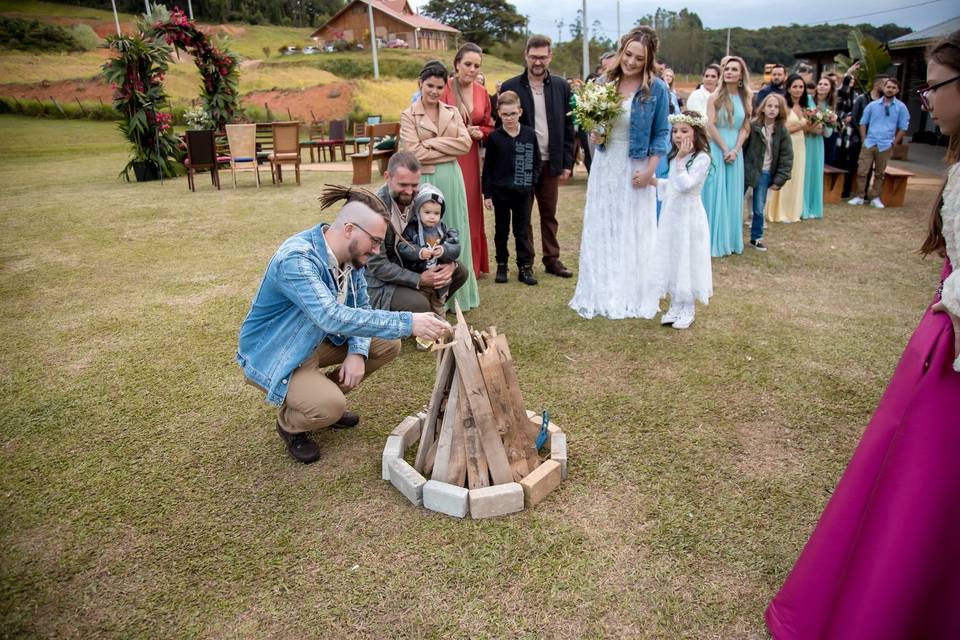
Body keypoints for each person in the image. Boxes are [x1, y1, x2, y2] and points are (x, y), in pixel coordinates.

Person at [765, 30, 960, 639]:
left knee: (926, 495)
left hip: (950, 349)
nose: (927, 97)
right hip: (943, 339)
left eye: (933, 85)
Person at [236, 185, 451, 464]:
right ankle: (294, 421)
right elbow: (331, 316)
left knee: (387, 345)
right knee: (330, 406)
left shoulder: (350, 257)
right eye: (374, 241)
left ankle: (318, 397)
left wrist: (357, 352)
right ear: (349, 229)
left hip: (317, 340)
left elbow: (361, 307)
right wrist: (408, 321)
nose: (376, 250)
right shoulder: (296, 259)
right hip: (279, 352)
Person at [568, 25, 670, 319]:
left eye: (639, 59)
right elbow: (591, 126)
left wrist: (650, 172)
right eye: (629, 54)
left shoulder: (657, 89)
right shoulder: (604, 82)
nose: (632, 62)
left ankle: (631, 291)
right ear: (622, 49)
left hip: (636, 164)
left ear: (648, 60)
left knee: (633, 228)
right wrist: (594, 135)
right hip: (605, 163)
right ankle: (602, 289)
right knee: (604, 224)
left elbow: (661, 132)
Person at [400, 60, 480, 312]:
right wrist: (447, 145)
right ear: (420, 84)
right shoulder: (408, 115)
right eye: (429, 86)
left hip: (451, 178)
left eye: (439, 86)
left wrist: (432, 144)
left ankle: (460, 294)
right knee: (426, 234)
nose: (434, 91)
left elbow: (465, 145)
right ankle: (431, 297)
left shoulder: (452, 111)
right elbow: (413, 152)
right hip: (425, 181)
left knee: (455, 230)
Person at [501, 34, 576, 278]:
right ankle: (526, 263)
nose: (537, 62)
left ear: (550, 57)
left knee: (549, 214)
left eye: (542, 57)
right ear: (526, 56)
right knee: (523, 215)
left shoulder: (561, 86)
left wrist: (567, 162)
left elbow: (568, 127)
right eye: (533, 57)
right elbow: (501, 126)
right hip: (522, 159)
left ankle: (552, 259)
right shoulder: (511, 86)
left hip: (550, 160)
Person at [368, 152, 468, 314]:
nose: (409, 191)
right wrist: (419, 279)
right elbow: (377, 266)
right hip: (382, 281)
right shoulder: (374, 210)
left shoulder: (421, 200)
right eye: (403, 185)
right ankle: (418, 307)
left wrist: (450, 263)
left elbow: (438, 233)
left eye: (414, 185)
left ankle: (426, 304)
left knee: (459, 271)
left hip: (414, 264)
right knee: (419, 305)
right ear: (387, 177)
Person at [649, 111, 713, 329]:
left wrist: (677, 161)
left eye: (684, 131)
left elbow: (686, 185)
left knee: (687, 257)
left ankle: (688, 308)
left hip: (689, 216)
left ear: (696, 133)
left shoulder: (701, 158)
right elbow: (673, 185)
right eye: (675, 131)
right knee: (674, 256)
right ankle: (675, 304)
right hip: (672, 214)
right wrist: (654, 182)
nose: (678, 135)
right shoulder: (679, 156)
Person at [441, 43, 495, 277]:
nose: (472, 69)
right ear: (456, 65)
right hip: (448, 155)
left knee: (471, 207)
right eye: (468, 64)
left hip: (471, 156)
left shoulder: (482, 92)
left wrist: (480, 132)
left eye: (476, 66)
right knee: (450, 205)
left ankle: (472, 265)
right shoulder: (444, 89)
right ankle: (448, 261)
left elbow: (490, 125)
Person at [482, 89, 541, 285]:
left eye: (513, 113)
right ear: (499, 113)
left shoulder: (529, 134)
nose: (509, 118)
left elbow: (537, 162)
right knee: (501, 230)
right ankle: (501, 265)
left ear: (520, 112)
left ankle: (525, 267)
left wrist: (531, 182)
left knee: (522, 230)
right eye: (505, 114)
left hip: (523, 192)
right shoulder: (495, 138)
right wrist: (487, 193)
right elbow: (488, 167)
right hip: (500, 192)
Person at [702, 55, 752, 257]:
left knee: (732, 194)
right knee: (715, 192)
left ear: (741, 75)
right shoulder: (714, 97)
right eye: (728, 69)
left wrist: (736, 149)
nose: (729, 72)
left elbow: (746, 126)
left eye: (734, 69)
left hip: (735, 151)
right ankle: (713, 240)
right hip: (717, 147)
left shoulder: (746, 97)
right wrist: (724, 149)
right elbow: (710, 125)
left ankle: (730, 240)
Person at [396, 184, 460, 317]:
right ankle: (426, 330)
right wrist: (419, 252)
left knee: (438, 304)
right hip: (420, 275)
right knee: (424, 306)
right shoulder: (411, 229)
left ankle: (441, 329)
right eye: (427, 212)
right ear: (418, 211)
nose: (432, 217)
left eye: (436, 213)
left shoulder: (443, 229)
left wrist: (443, 250)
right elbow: (402, 247)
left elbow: (455, 247)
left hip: (439, 279)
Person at [848, 77, 910, 209]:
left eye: (893, 88)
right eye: (888, 87)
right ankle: (860, 196)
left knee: (880, 173)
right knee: (862, 171)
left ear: (897, 90)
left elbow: (904, 127)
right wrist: (864, 139)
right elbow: (862, 122)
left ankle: (874, 197)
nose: (890, 90)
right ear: (884, 88)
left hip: (886, 144)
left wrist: (895, 142)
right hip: (869, 142)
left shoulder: (901, 107)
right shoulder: (873, 105)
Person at [743, 94, 793, 251]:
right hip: (748, 170)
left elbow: (787, 157)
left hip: (765, 172)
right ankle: (732, 235)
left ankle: (756, 238)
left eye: (776, 107)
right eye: (769, 106)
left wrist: (779, 179)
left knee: (759, 207)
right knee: (736, 203)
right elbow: (743, 148)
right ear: (763, 108)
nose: (772, 109)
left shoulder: (782, 132)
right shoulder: (753, 126)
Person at [767, 74, 811, 224]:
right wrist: (802, 124)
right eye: (795, 86)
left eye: (801, 87)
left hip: (801, 145)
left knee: (797, 176)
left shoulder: (805, 107)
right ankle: (779, 211)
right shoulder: (784, 105)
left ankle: (793, 211)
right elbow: (782, 128)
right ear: (789, 88)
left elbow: (806, 129)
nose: (798, 90)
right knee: (785, 175)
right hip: (786, 144)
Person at [801, 76, 833, 220]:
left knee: (814, 173)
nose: (822, 86)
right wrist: (810, 127)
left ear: (830, 88)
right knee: (803, 172)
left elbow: (829, 132)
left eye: (826, 84)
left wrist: (822, 128)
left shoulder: (829, 107)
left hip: (818, 143)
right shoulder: (807, 100)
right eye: (820, 83)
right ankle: (801, 206)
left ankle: (813, 207)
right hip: (805, 140)